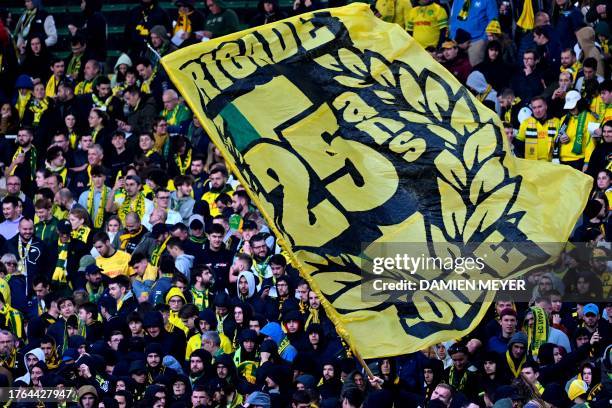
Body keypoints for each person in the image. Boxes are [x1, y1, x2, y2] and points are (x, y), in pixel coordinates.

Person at [514, 96, 559, 161]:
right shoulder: (525, 123)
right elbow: (518, 146)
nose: (537, 110)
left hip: (552, 164)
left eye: (540, 107)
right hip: (532, 165)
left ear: (546, 106)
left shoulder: (556, 122)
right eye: (534, 108)